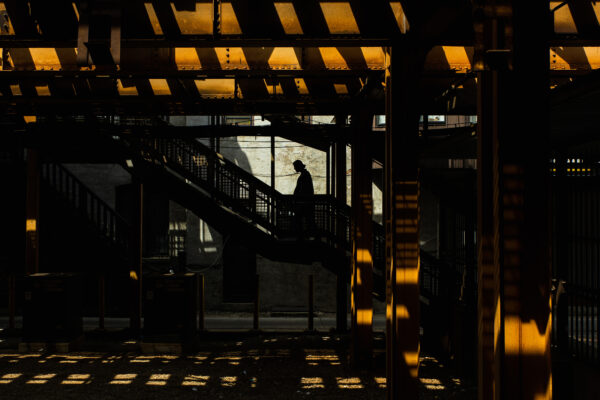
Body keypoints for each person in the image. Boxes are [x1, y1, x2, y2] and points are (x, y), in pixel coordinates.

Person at [292, 160, 316, 239]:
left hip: (304, 202)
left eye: (295, 167)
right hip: (305, 202)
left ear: (298, 166)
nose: (294, 169)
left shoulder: (304, 175)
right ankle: (305, 235)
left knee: (301, 219)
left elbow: (302, 189)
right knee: (307, 220)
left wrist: (296, 197)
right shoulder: (305, 174)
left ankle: (302, 236)